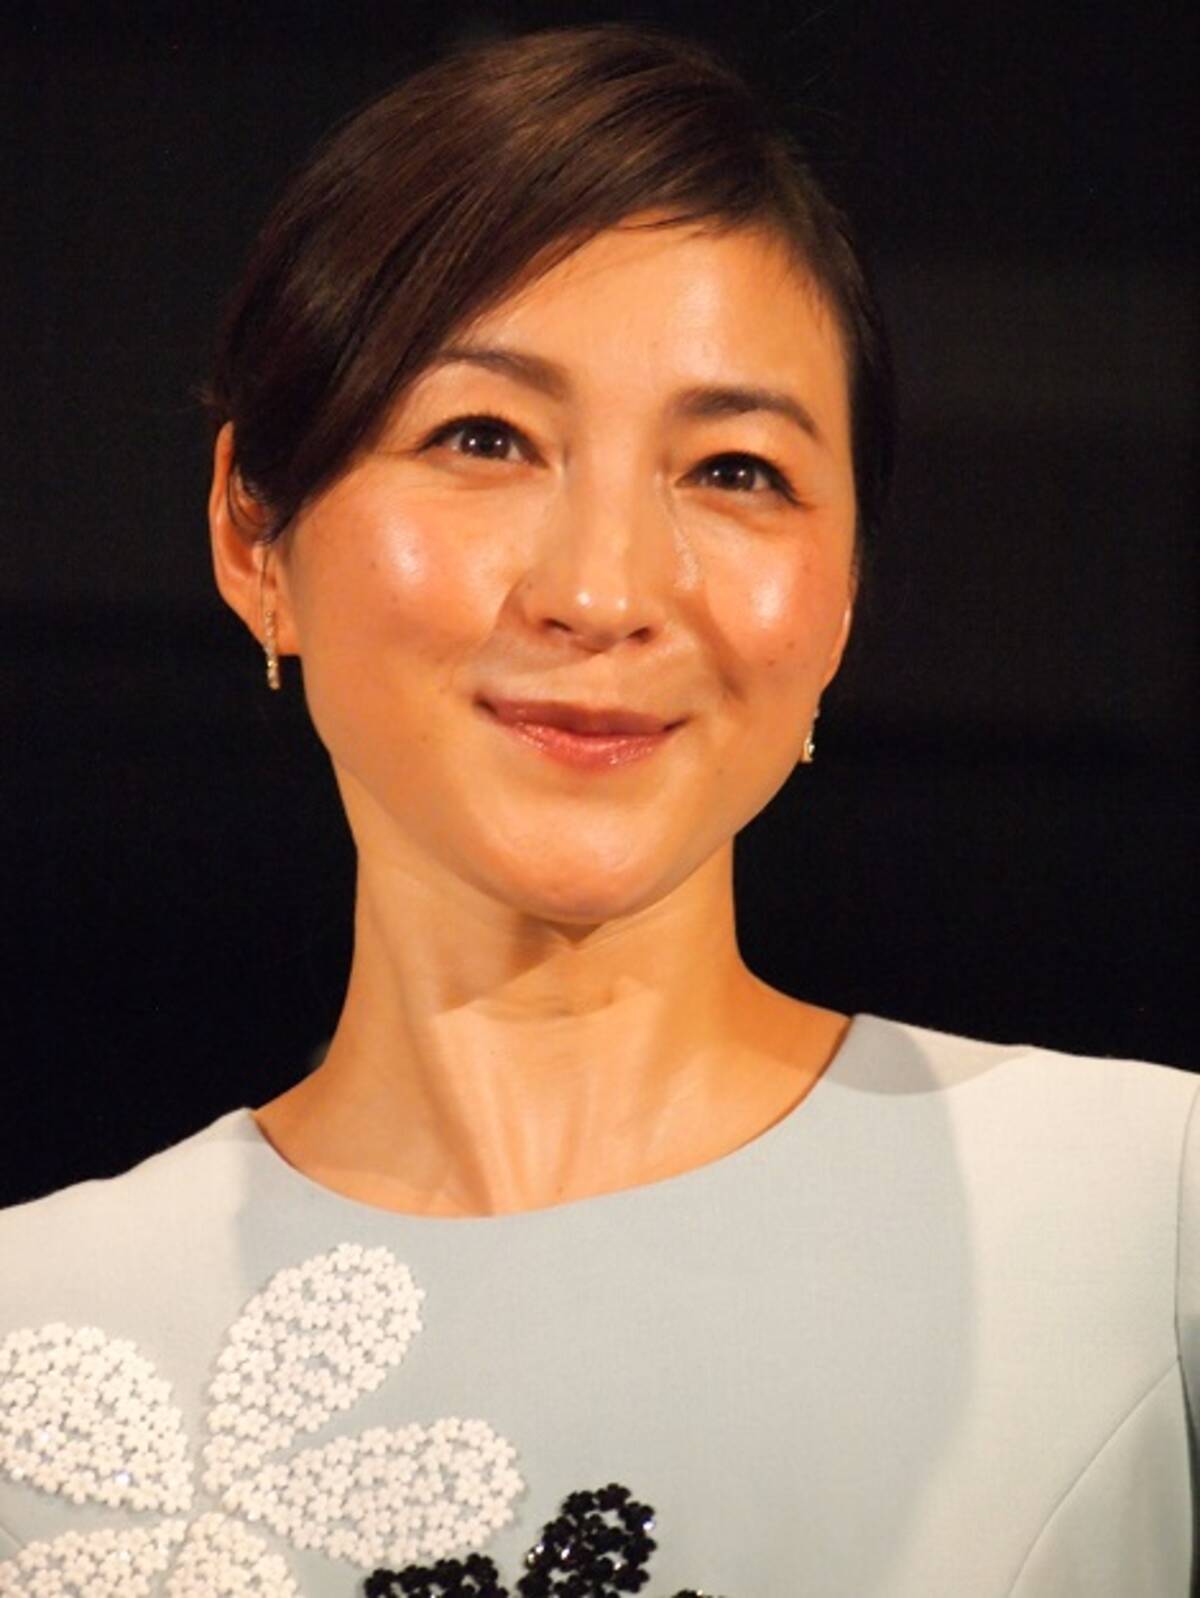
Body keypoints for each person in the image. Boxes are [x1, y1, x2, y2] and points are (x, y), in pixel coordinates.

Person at [0, 22, 1195, 1598]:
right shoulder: (39, 1338)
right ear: (252, 536)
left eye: (735, 470)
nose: (605, 588)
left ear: (842, 595)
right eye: (483, 438)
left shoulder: (1143, 1218)